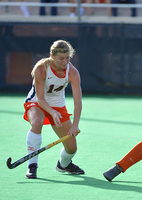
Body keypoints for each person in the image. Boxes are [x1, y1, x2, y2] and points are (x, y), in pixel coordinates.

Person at [24, 40, 84, 179]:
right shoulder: (41, 69)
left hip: (59, 106)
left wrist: (75, 124)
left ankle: (64, 164)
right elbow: (40, 99)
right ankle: (32, 166)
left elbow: (78, 102)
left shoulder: (73, 73)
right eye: (61, 58)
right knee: (37, 123)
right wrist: (52, 112)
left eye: (67, 58)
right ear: (52, 56)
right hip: (37, 103)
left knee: (72, 148)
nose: (65, 62)